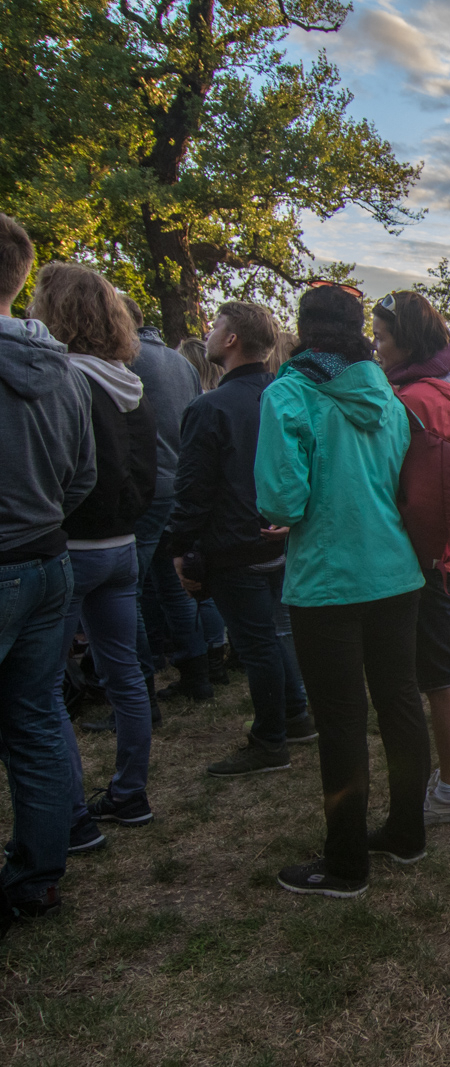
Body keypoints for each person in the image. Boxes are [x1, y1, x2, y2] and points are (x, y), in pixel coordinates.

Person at [257, 282, 429, 898]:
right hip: (394, 569)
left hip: (328, 579)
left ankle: (346, 864)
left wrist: (290, 509)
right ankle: (408, 831)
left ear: (304, 327)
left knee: (341, 721)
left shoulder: (289, 392)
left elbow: (280, 497)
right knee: (400, 703)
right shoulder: (380, 387)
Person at [34, 264, 160, 832]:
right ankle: (131, 792)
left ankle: (70, 815)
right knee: (125, 673)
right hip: (121, 542)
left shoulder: (64, 380)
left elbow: (66, 470)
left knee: (42, 690)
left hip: (74, 543)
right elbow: (142, 469)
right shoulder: (129, 383)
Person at [0, 214, 100, 914]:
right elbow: (82, 472)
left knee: (33, 715)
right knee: (34, 716)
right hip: (47, 553)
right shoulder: (59, 368)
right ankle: (37, 873)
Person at [170, 301, 315, 777]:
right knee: (275, 634)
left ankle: (270, 740)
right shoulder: (287, 396)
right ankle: (295, 714)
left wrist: (182, 550)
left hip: (235, 543)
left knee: (257, 645)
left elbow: (193, 489)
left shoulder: (210, 407)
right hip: (280, 537)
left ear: (232, 340)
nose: (209, 333)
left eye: (215, 326)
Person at [373, 290, 450, 826]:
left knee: (439, 675)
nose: (376, 348)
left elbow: (415, 489)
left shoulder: (414, 399)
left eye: (382, 337)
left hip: (436, 555)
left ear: (408, 339)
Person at [120, 296, 209, 708]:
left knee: (128, 592)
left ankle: (140, 692)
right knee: (172, 584)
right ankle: (197, 674)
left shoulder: (127, 362)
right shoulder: (182, 363)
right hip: (177, 482)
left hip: (144, 487)